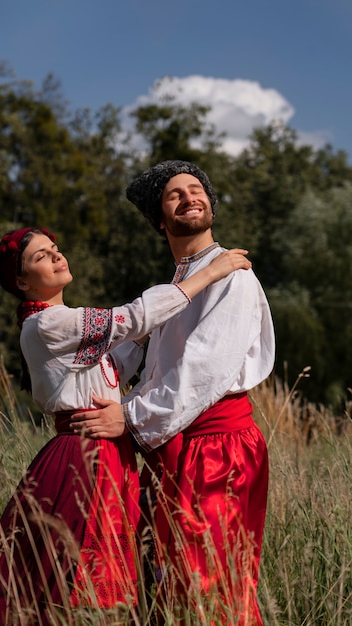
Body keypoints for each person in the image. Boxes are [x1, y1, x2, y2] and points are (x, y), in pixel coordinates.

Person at [0, 226, 251, 626]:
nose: (57, 256)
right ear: (22, 281)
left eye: (55, 249)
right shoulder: (48, 325)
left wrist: (167, 317)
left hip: (105, 450)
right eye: (41, 256)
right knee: (79, 582)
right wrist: (209, 274)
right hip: (85, 455)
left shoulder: (64, 328)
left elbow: (119, 362)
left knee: (86, 578)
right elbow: (132, 319)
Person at [70, 161, 276, 625]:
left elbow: (202, 368)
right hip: (177, 445)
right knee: (169, 587)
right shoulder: (173, 290)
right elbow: (141, 362)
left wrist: (132, 417)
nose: (189, 197)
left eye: (195, 189)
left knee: (210, 588)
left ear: (209, 204)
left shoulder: (233, 277)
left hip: (218, 449)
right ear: (160, 219)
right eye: (174, 195)